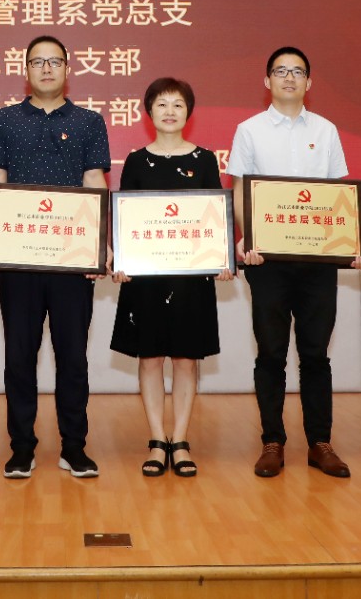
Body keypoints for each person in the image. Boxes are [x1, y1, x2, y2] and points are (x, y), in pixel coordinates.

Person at [0, 34, 111, 479]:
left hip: (72, 259)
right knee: (19, 356)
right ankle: (22, 448)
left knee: (73, 356)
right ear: (26, 71)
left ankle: (74, 447)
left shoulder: (89, 122)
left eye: (55, 61)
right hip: (18, 258)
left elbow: (94, 181)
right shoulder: (3, 120)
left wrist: (101, 242)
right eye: (38, 62)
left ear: (68, 69)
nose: (47, 69)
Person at [228, 46, 356, 480]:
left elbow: (338, 195)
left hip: (317, 259)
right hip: (267, 260)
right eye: (280, 71)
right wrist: (251, 238)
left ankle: (320, 443)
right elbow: (240, 190)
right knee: (271, 352)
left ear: (309, 82)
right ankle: (272, 441)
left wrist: (346, 241)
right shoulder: (249, 130)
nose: (289, 78)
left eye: (297, 71)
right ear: (267, 81)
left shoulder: (326, 129)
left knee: (316, 354)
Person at [111, 77, 227, 479]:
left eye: (178, 104)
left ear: (188, 112)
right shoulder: (135, 161)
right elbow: (125, 219)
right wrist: (121, 259)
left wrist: (221, 257)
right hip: (146, 278)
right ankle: (157, 440)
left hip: (190, 278)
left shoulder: (205, 160)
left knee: (186, 359)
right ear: (149, 112)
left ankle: (180, 440)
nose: (170, 111)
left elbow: (214, 216)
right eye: (161, 104)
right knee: (150, 358)